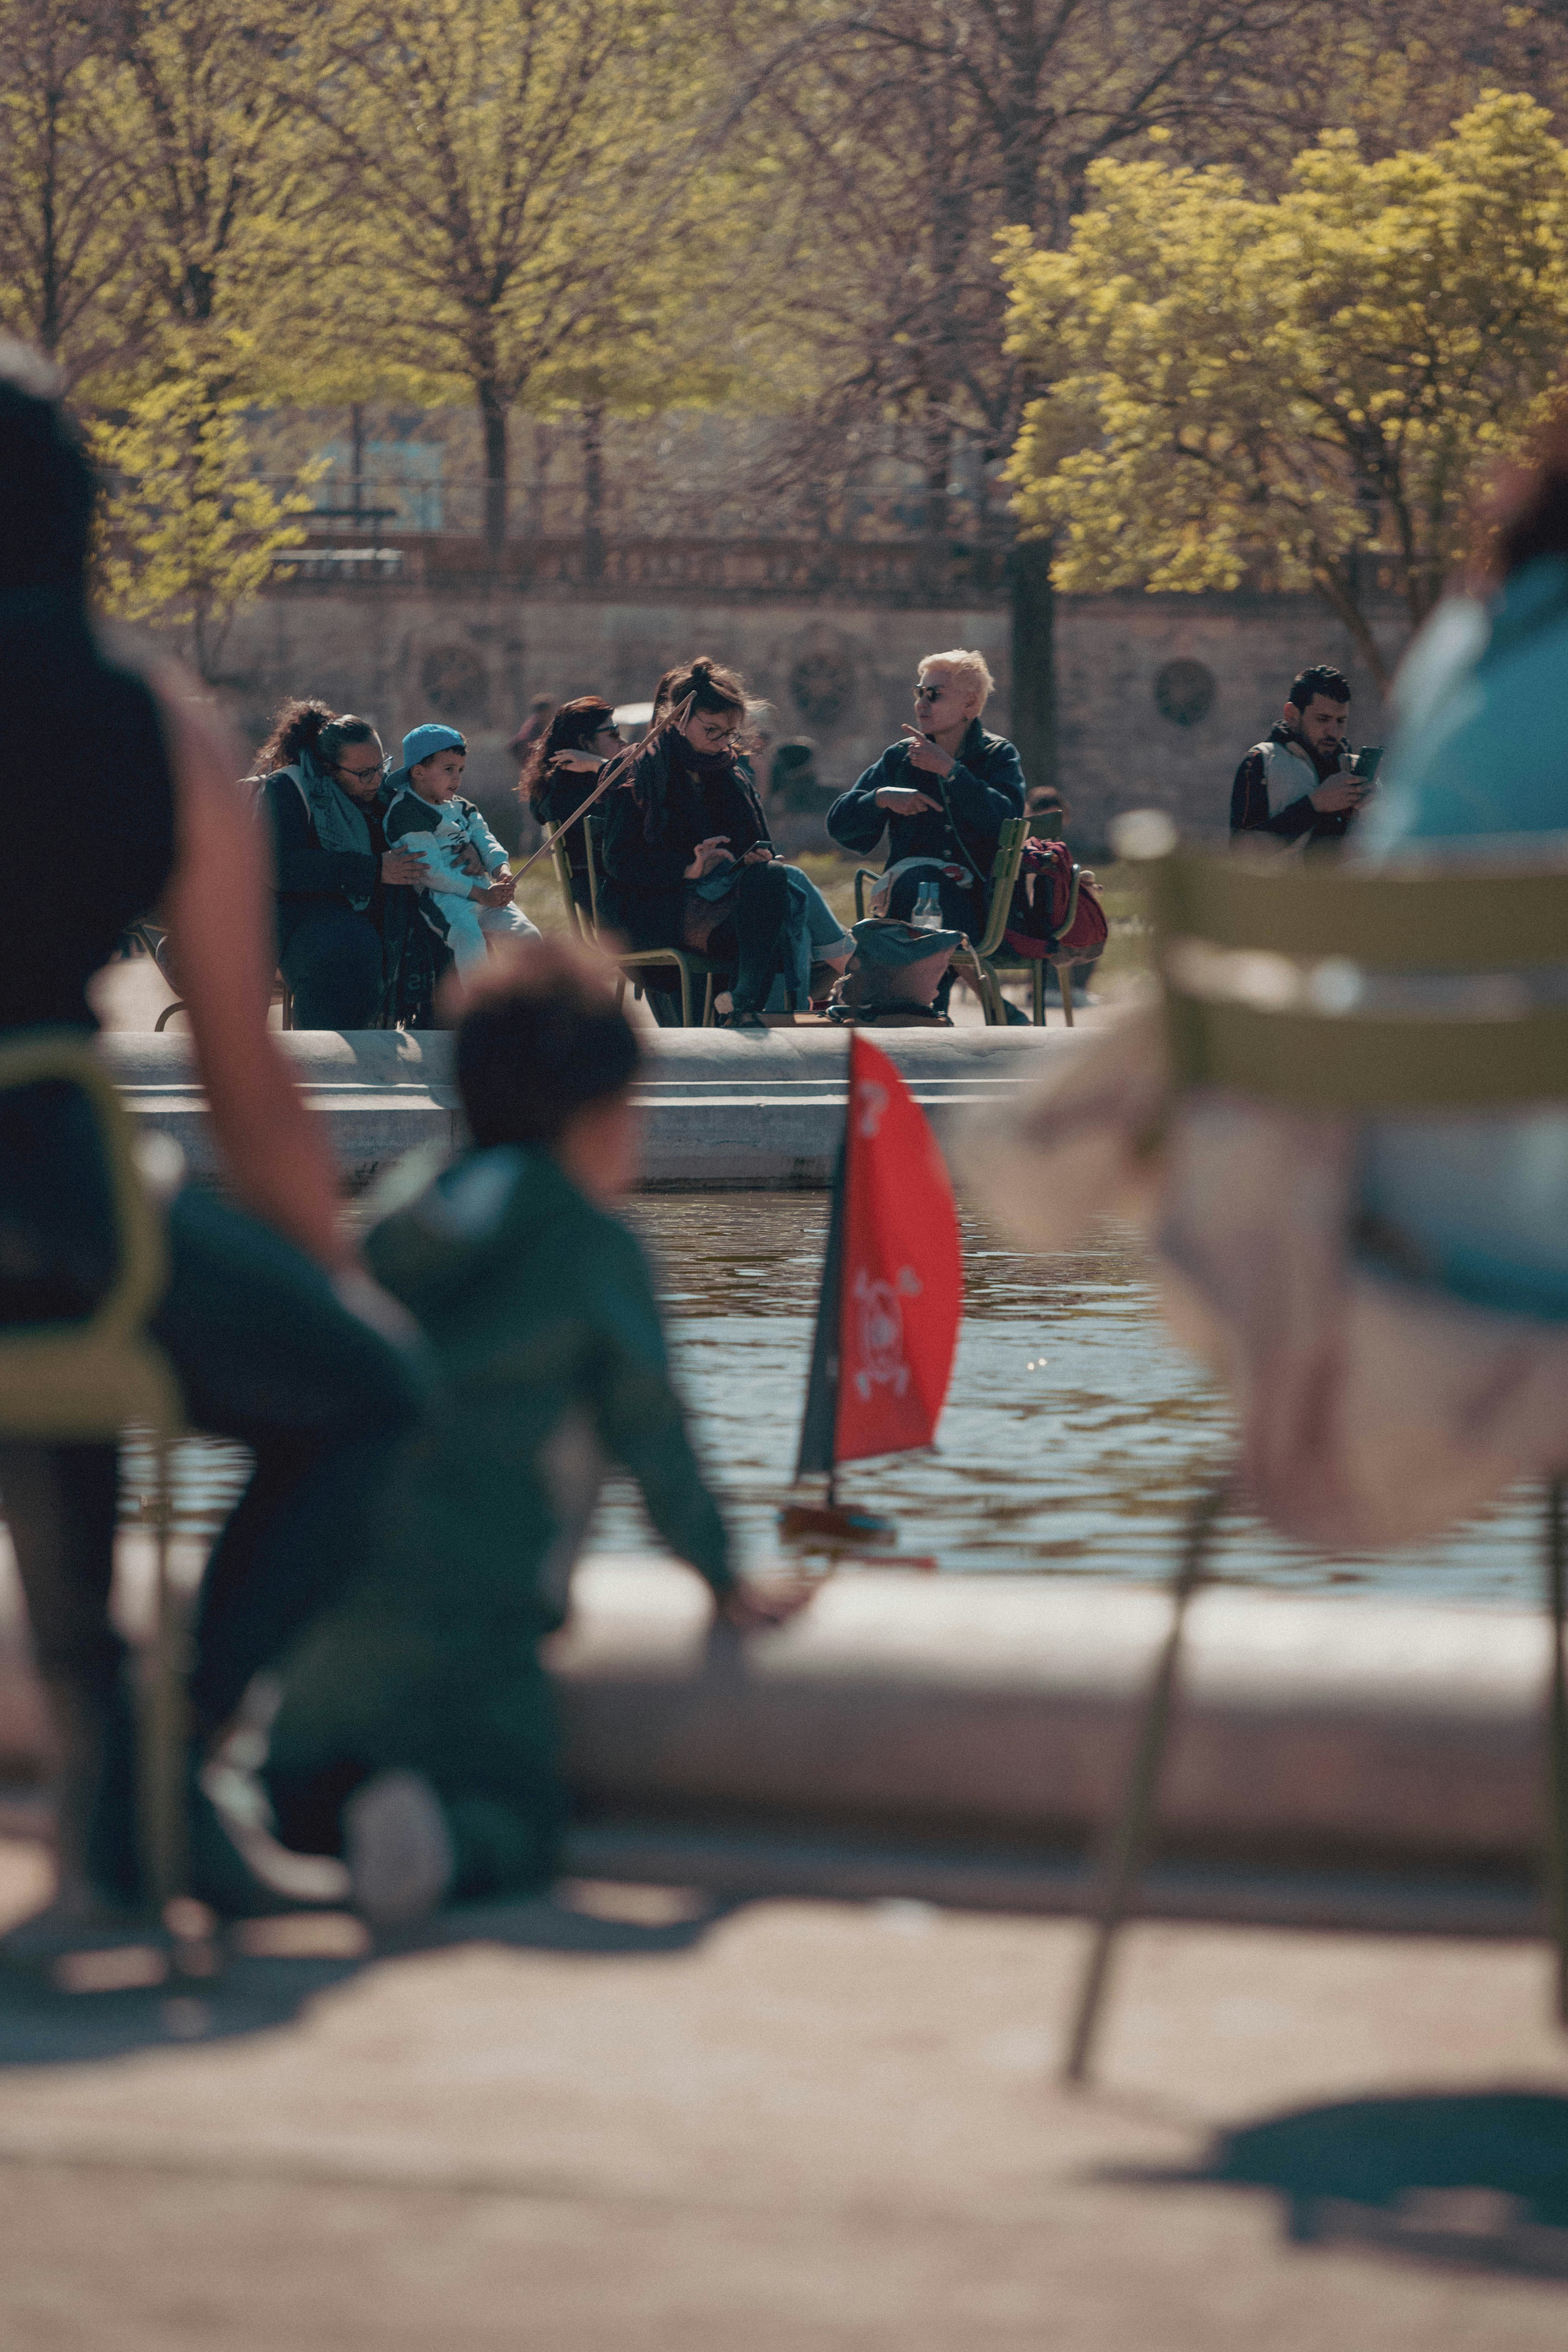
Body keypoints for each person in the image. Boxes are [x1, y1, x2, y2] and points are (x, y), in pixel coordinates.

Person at [0, 340, 431, 1942]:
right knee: (370, 1396)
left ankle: (119, 1835)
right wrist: (334, 1278)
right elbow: (248, 1078)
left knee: (49, 1404)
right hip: (55, 1196)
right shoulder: (153, 720)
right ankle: (175, 1759)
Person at [233, 942, 805, 1925]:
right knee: (516, 1814)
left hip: (326, 1608)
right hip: (473, 1630)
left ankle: (283, 1812)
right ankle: (445, 1845)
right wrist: (722, 1574)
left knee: (300, 1795)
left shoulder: (408, 1205)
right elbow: (652, 1429)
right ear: (599, 1117)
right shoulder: (589, 1244)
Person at [598, 656, 791, 1030]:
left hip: (722, 902)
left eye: (730, 733)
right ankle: (825, 966)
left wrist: (749, 857)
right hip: (656, 910)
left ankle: (745, 999)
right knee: (776, 921)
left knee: (773, 876)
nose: (722, 743)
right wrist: (688, 867)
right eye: (712, 730)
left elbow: (757, 839)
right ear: (679, 719)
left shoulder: (729, 774)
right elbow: (620, 859)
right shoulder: (641, 769)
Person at [256, 700, 439, 1027]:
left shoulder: (383, 797)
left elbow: (441, 820)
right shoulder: (287, 788)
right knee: (347, 953)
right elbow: (281, 867)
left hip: (370, 923)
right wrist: (372, 870)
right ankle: (325, 1067)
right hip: (301, 924)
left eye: (381, 767)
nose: (376, 780)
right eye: (364, 774)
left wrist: (466, 849)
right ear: (329, 768)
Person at [826, 649, 1025, 945]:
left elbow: (1007, 824)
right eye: (919, 693)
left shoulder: (997, 755)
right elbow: (840, 826)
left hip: (980, 907)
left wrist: (950, 771)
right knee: (917, 885)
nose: (921, 704)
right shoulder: (901, 757)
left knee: (919, 887)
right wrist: (881, 798)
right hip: (909, 902)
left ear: (969, 703)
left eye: (934, 695)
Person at [384, 723, 537, 977]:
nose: (457, 778)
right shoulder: (407, 812)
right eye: (448, 769)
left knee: (528, 936)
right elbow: (431, 872)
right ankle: (480, 1008)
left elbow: (485, 838)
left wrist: (502, 870)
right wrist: (480, 894)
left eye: (461, 770)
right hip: (443, 898)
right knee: (469, 939)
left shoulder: (462, 806)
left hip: (482, 889)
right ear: (419, 772)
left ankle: (533, 1004)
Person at [1229, 664, 1368, 845]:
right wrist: (1314, 805)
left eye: (1341, 721)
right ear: (1292, 715)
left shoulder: (1356, 769)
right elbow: (1242, 852)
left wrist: (1379, 809)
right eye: (1323, 719)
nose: (1334, 732)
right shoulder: (1261, 761)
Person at [518, 696, 625, 917]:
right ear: (585, 743)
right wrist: (602, 766)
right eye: (614, 734)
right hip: (620, 904)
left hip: (606, 902)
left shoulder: (554, 788)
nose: (623, 742)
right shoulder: (573, 793)